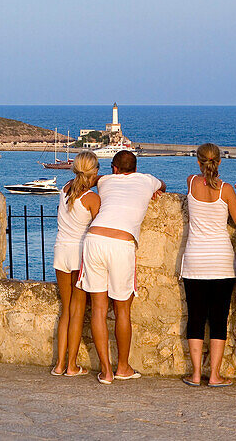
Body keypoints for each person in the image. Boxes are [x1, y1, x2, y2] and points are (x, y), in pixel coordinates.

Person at [77, 150, 165, 384]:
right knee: (122, 310)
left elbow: (90, 179)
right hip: (121, 243)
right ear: (135, 168)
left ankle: (106, 371)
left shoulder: (105, 181)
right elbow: (163, 186)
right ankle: (123, 367)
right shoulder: (147, 180)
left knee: (98, 308)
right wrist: (154, 190)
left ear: (114, 168)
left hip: (94, 239)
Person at [179, 143, 236, 387]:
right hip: (221, 263)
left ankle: (196, 374)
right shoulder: (226, 190)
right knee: (219, 319)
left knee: (196, 318)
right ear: (219, 162)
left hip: (195, 261)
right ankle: (215, 375)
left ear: (198, 162)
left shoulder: (190, 182)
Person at [50, 150, 101, 377]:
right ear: (94, 172)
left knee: (65, 312)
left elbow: (81, 178)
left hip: (60, 252)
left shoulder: (65, 188)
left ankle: (59, 364)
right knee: (77, 311)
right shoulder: (91, 198)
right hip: (79, 255)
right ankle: (71, 365)